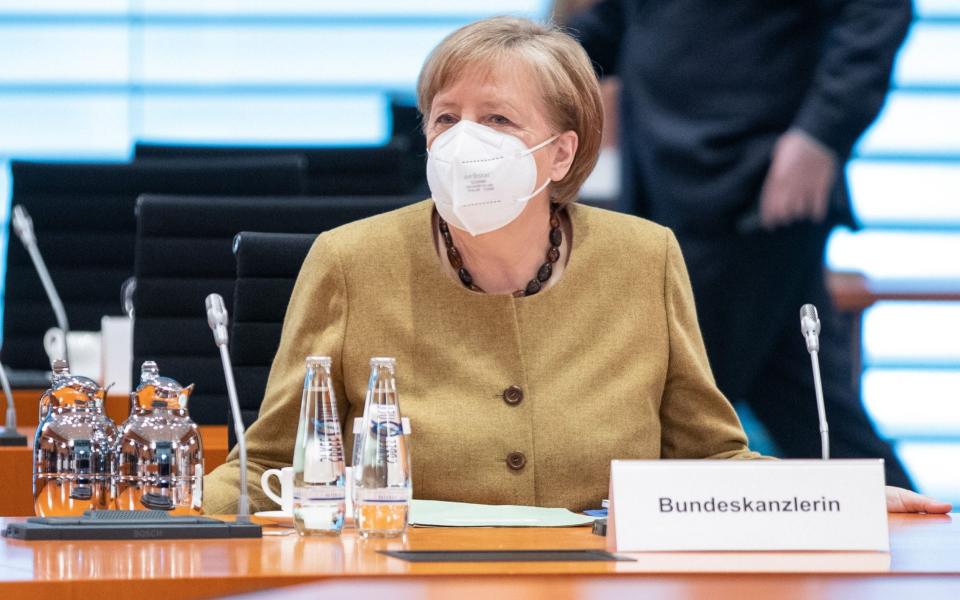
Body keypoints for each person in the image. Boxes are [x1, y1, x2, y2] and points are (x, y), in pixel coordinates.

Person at [204, 17, 947, 515]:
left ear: (560, 153)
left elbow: (707, 456)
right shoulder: (349, 260)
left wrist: (839, 497)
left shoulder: (644, 258)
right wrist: (145, 524)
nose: (465, 140)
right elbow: (271, 465)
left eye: (497, 119)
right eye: (445, 117)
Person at [567, 1, 916, 488]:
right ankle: (914, 532)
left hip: (753, 183)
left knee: (676, 408)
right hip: (662, 181)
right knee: (804, 398)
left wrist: (821, 134)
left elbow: (876, 13)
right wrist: (518, 66)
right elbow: (608, 26)